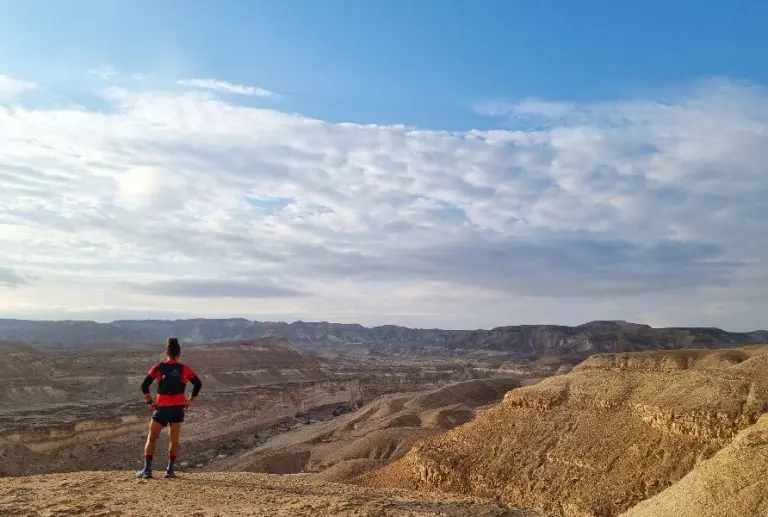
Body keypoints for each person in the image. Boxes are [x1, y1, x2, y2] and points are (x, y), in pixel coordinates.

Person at [136, 336, 202, 479]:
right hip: (178, 409)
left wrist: (149, 402)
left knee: (151, 438)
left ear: (166, 353)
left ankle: (147, 470)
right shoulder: (184, 369)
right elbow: (198, 384)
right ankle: (170, 471)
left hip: (162, 409)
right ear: (179, 354)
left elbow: (144, 385)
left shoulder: (158, 367)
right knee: (174, 440)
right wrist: (190, 400)